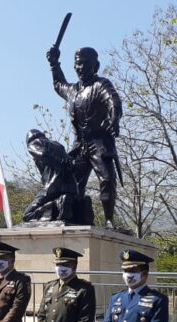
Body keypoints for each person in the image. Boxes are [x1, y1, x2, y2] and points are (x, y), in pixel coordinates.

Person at [47, 45, 123, 228]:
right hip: (79, 145)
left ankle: (109, 219)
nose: (80, 67)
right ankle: (73, 214)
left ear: (95, 66)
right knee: (72, 183)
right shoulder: (73, 90)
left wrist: (114, 119)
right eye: (78, 63)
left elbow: (113, 101)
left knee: (106, 178)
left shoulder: (101, 85)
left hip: (99, 142)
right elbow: (59, 84)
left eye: (85, 63)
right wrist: (54, 64)